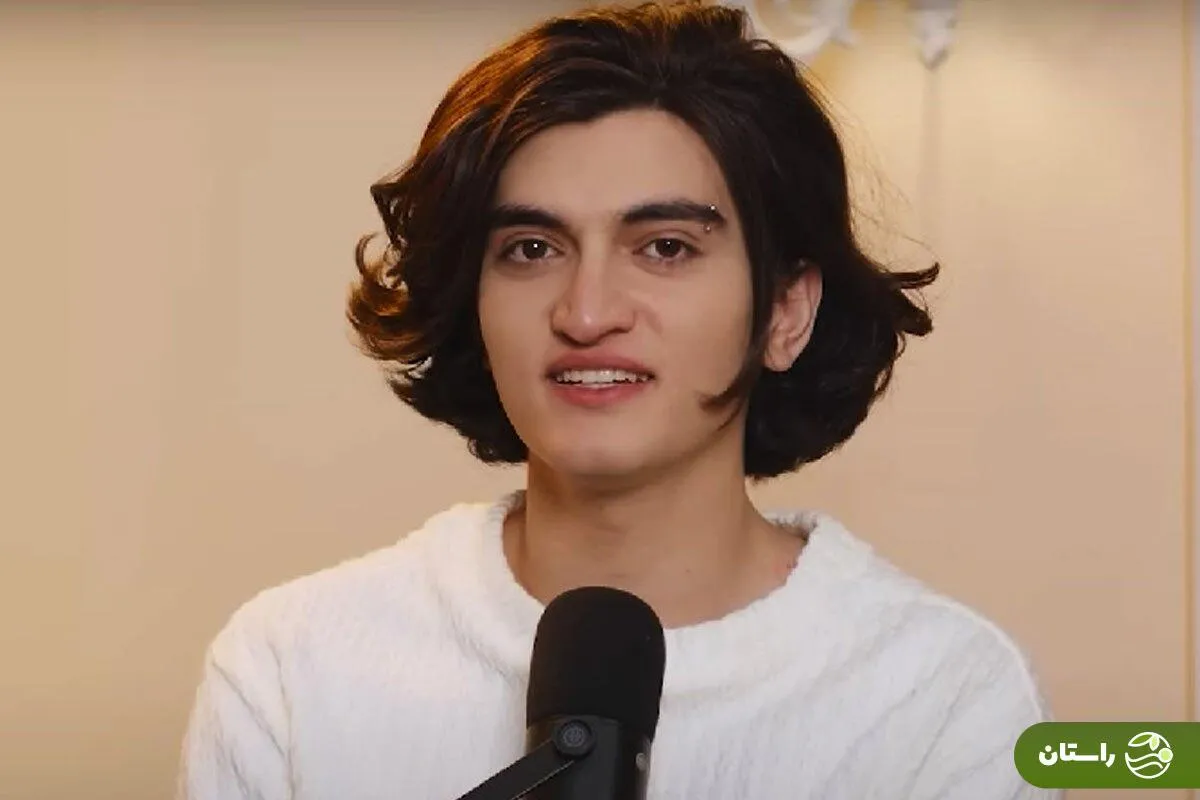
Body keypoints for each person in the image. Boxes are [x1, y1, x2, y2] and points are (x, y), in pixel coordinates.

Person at [177, 2, 1057, 798]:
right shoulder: (292, 671)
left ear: (786, 310)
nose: (587, 313)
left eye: (665, 247)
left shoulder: (942, 698)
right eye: (531, 249)